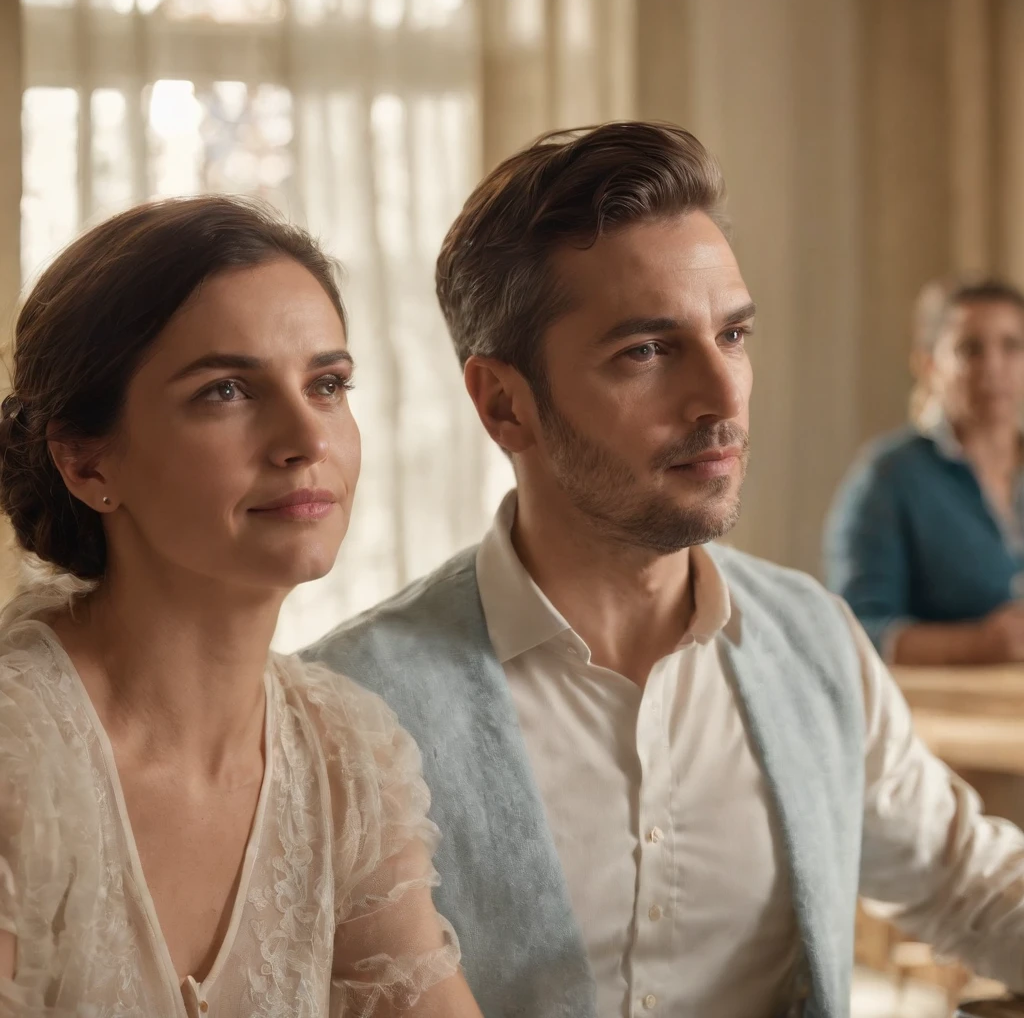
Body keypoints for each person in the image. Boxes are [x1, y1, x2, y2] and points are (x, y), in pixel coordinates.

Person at [305, 122, 1024, 1018]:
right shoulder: (347, 707)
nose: (722, 398)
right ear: (503, 403)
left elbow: (971, 884)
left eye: (732, 335)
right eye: (646, 351)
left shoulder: (815, 643)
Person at [0, 197, 483, 1018]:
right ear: (84, 463)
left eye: (327, 384)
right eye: (227, 390)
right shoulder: (19, 764)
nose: (306, 438)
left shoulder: (344, 756)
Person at [825, 278, 1024, 666]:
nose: (994, 367)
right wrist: (974, 645)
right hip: (943, 716)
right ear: (928, 364)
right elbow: (854, 632)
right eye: (971, 349)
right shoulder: (888, 476)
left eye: (1012, 346)